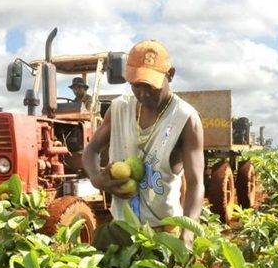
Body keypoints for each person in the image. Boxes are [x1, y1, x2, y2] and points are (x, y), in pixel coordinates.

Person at [83, 40, 204, 248]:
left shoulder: (185, 119)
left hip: (162, 235)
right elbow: (91, 150)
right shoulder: (119, 109)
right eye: (135, 85)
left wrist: (187, 235)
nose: (143, 94)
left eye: (150, 86)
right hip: (121, 231)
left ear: (170, 75)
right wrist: (96, 179)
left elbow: (195, 183)